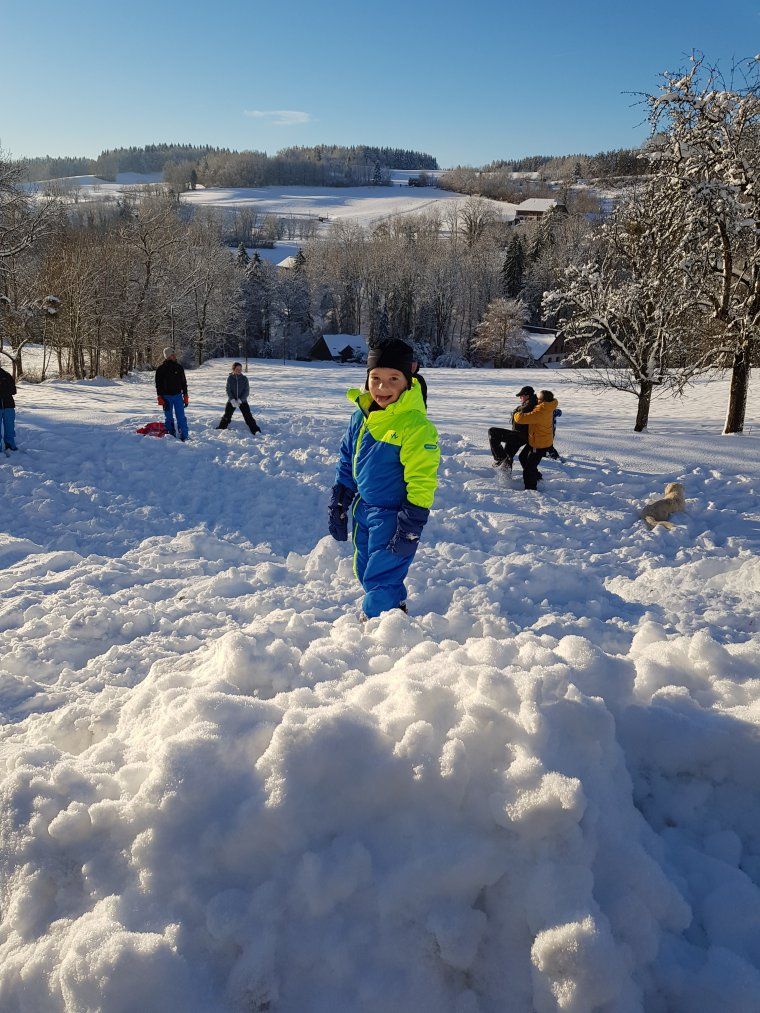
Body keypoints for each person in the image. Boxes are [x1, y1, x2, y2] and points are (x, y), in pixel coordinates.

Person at [328, 338, 440, 620]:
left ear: (408, 381)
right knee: (366, 569)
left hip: (396, 515)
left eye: (393, 378)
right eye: (375, 378)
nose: (382, 387)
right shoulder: (361, 416)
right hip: (365, 509)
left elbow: (422, 478)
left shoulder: (415, 426)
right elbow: (348, 457)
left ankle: (379, 629)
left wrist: (412, 521)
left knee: (382, 575)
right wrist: (341, 498)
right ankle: (394, 610)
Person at [513, 388, 560, 490]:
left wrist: (516, 413)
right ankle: (537, 476)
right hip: (538, 439)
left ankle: (531, 489)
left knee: (528, 469)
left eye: (537, 398)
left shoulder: (541, 411)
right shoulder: (548, 406)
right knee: (523, 457)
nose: (535, 398)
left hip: (539, 444)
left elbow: (521, 419)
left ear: (541, 400)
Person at [488, 385, 537, 470]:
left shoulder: (531, 404)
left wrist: (516, 411)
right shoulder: (530, 403)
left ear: (527, 396)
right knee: (508, 455)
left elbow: (523, 413)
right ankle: (506, 478)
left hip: (519, 436)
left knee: (492, 432)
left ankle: (499, 458)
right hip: (520, 435)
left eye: (521, 396)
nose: (520, 398)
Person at [217, 362, 262, 435]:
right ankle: (221, 428)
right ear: (233, 369)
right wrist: (232, 400)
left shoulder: (244, 379)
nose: (239, 370)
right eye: (237, 369)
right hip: (232, 401)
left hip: (242, 401)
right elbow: (228, 390)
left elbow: (246, 391)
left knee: (248, 416)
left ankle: (255, 430)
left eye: (240, 369)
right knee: (227, 415)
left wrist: (240, 400)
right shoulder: (230, 378)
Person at [155, 347, 189, 441]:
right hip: (166, 398)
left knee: (181, 418)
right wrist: (160, 396)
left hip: (178, 396)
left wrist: (185, 395)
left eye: (174, 354)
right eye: (172, 354)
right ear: (168, 356)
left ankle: (184, 437)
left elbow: (183, 383)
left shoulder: (179, 367)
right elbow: (158, 385)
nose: (175, 356)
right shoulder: (160, 369)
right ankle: (171, 436)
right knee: (168, 418)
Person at [0, 364, 18, 452]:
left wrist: (3, 391)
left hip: (9, 406)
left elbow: (14, 390)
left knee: (10, 428)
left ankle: (10, 445)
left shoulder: (6, 375)